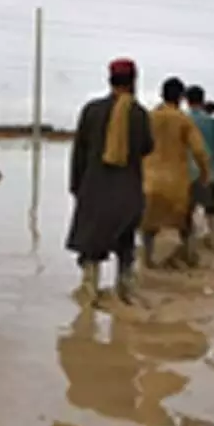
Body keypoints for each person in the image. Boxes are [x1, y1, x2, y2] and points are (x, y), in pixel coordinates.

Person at [66, 58, 154, 304]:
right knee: (125, 248)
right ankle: (124, 297)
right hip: (128, 194)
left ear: (109, 80)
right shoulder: (139, 115)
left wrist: (76, 187)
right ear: (134, 82)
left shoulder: (91, 111)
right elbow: (147, 148)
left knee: (91, 250)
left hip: (94, 191)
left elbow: (79, 153)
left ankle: (87, 301)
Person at [141, 77, 210, 268]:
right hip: (175, 185)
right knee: (185, 225)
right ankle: (189, 260)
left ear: (161, 95)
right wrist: (204, 174)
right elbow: (199, 151)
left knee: (148, 228)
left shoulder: (148, 117)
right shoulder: (183, 120)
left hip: (148, 182)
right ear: (181, 98)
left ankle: (147, 263)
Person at [185, 85, 214, 242]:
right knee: (210, 213)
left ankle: (189, 246)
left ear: (186, 100)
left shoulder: (182, 119)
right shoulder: (211, 122)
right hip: (210, 174)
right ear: (202, 100)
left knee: (187, 213)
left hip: (187, 175)